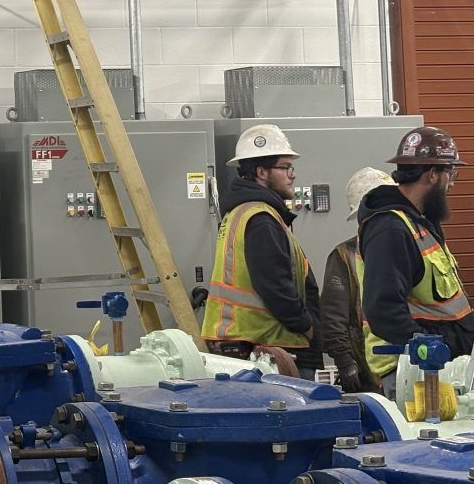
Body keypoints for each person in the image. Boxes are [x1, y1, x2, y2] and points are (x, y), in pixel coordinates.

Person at [203, 123, 322, 379]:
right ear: (261, 172)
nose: (293, 175)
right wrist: (308, 326)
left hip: (253, 347)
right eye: (285, 167)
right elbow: (275, 285)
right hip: (268, 349)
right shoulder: (261, 219)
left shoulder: (243, 212)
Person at [359, 126, 474, 392]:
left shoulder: (420, 223)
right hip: (415, 372)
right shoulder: (391, 228)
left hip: (440, 368)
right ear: (433, 175)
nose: (452, 184)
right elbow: (383, 310)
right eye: (450, 174)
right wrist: (429, 347)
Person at [322, 167, 394, 393]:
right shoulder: (344, 255)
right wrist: (345, 362)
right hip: (368, 372)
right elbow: (333, 316)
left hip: (409, 364)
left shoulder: (406, 247)